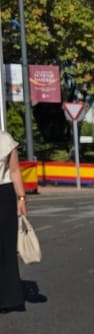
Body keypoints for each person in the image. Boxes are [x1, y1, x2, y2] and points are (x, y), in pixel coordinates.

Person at [0, 126, 28, 313]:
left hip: (4, 195)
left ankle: (7, 299)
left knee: (6, 248)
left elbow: (15, 170)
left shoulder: (5, 140)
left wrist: (21, 198)